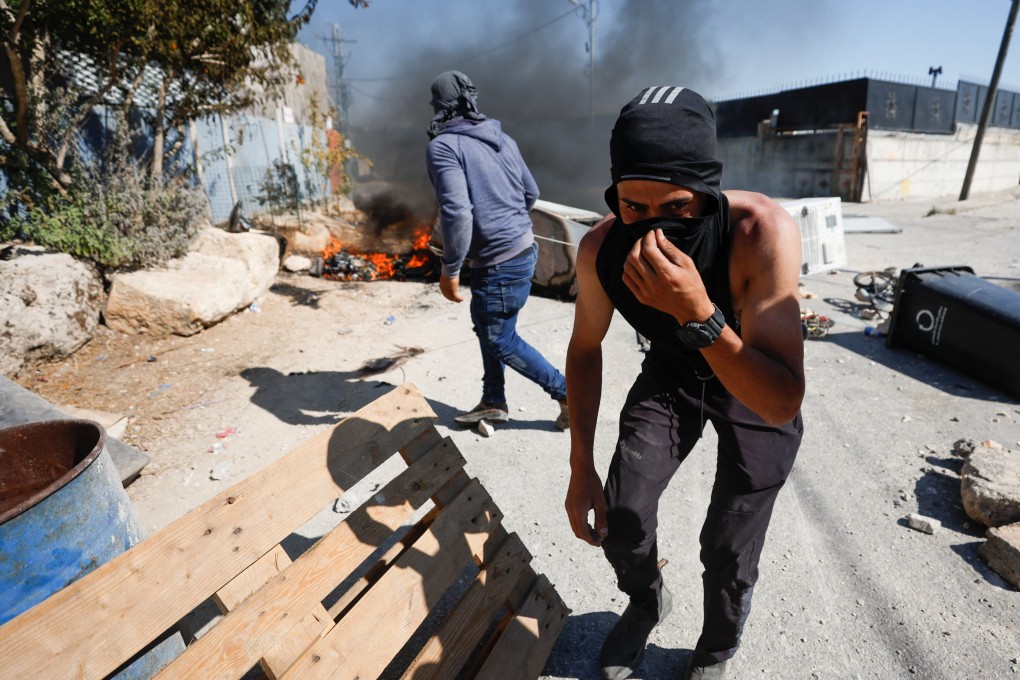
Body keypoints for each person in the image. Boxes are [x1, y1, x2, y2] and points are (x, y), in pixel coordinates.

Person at [564, 86, 805, 680]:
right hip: (674, 372)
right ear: (614, 195)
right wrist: (580, 468)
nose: (655, 232)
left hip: (746, 373)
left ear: (708, 192)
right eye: (633, 208)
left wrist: (699, 313)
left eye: (677, 208)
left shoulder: (759, 233)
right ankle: (647, 602)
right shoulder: (601, 249)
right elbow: (585, 349)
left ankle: (717, 646)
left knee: (728, 544)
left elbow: (780, 402)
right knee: (621, 512)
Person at [425, 70, 569, 430]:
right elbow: (530, 193)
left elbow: (457, 213)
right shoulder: (502, 139)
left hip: (498, 263)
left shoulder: (443, 146)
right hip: (523, 249)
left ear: (439, 107)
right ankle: (493, 401)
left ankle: (569, 394)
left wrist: (450, 269)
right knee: (487, 325)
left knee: (499, 337)